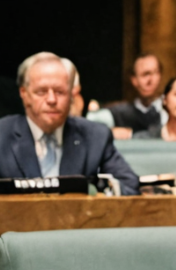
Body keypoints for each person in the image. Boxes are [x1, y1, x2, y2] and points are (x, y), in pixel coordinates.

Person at [0, 52, 139, 193]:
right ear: (24, 94)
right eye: (41, 92)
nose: (52, 100)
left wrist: (98, 194)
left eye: (60, 92)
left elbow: (130, 189)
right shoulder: (2, 135)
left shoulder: (95, 137)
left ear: (72, 94)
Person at [106, 54, 166, 139]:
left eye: (155, 73)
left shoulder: (171, 109)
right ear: (134, 80)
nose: (150, 80)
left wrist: (130, 134)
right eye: (145, 74)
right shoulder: (120, 112)